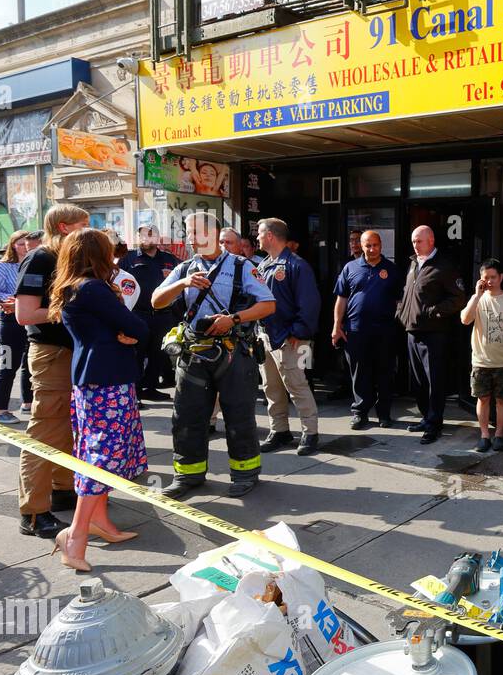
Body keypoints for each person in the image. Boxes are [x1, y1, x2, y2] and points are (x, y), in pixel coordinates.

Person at [151, 211, 275, 499]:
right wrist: (183, 284)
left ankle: (245, 473)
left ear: (212, 233)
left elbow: (268, 304)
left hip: (233, 352)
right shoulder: (184, 269)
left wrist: (233, 318)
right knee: (187, 416)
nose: (190, 238)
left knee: (239, 415)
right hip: (193, 353)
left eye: (195, 232)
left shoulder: (242, 266)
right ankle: (188, 475)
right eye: (188, 232)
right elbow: (156, 302)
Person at [47, 229, 149, 572]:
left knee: (95, 453)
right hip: (107, 381)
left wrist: (124, 330)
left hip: (93, 378)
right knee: (102, 457)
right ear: (99, 254)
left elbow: (122, 329)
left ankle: (101, 523)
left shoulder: (73, 286)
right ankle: (75, 537)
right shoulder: (93, 288)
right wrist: (128, 329)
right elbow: (138, 326)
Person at [14, 204, 92, 539]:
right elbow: (25, 315)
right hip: (51, 354)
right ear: (63, 226)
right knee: (45, 430)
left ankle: (62, 490)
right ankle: (33, 512)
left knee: (69, 427)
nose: (92, 229)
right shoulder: (40, 259)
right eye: (84, 224)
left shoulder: (70, 258)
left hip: (74, 352)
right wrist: (76, 306)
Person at [255, 218, 321, 456]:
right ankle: (280, 430)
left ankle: (310, 432)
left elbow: (310, 303)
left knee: (297, 386)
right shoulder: (263, 265)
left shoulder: (297, 265)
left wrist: (298, 332)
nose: (257, 238)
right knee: (271, 388)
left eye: (260, 233)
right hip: (265, 336)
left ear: (271, 235)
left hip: (289, 339)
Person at [396, 225, 466, 444]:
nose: (415, 246)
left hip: (434, 334)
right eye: (414, 241)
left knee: (435, 381)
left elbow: (458, 298)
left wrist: (434, 312)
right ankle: (426, 418)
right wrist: (400, 312)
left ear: (431, 240)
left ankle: (435, 424)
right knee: (418, 382)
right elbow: (406, 294)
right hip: (412, 332)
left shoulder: (444, 266)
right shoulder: (413, 263)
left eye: (419, 241)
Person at [333, 230, 401, 429]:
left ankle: (384, 414)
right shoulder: (350, 267)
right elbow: (341, 299)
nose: (372, 249)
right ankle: (360, 413)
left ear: (381, 245)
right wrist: (336, 326)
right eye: (367, 245)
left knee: (385, 373)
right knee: (359, 373)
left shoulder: (392, 269)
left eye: (375, 245)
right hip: (356, 331)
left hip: (385, 331)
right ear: (361, 247)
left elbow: (400, 300)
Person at [460, 258, 503, 453]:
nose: (490, 281)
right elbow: (465, 320)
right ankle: (485, 435)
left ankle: (500, 434)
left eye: (493, 277)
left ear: (501, 277)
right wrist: (476, 296)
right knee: (483, 398)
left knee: (502, 400)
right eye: (486, 278)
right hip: (481, 360)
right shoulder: (477, 299)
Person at [120, 223, 181, 403]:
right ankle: (135, 391)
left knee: (159, 353)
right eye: (143, 235)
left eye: (151, 235)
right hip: (138, 313)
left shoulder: (169, 259)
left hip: (163, 314)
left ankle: (151, 388)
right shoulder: (128, 258)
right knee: (137, 353)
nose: (146, 239)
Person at [0, 231, 39, 424]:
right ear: (13, 245)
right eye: (21, 243)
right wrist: (10, 300)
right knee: (7, 367)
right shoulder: (0, 267)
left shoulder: (35, 264)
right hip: (9, 322)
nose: (25, 247)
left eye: (28, 243)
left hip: (31, 321)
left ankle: (27, 402)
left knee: (28, 365)